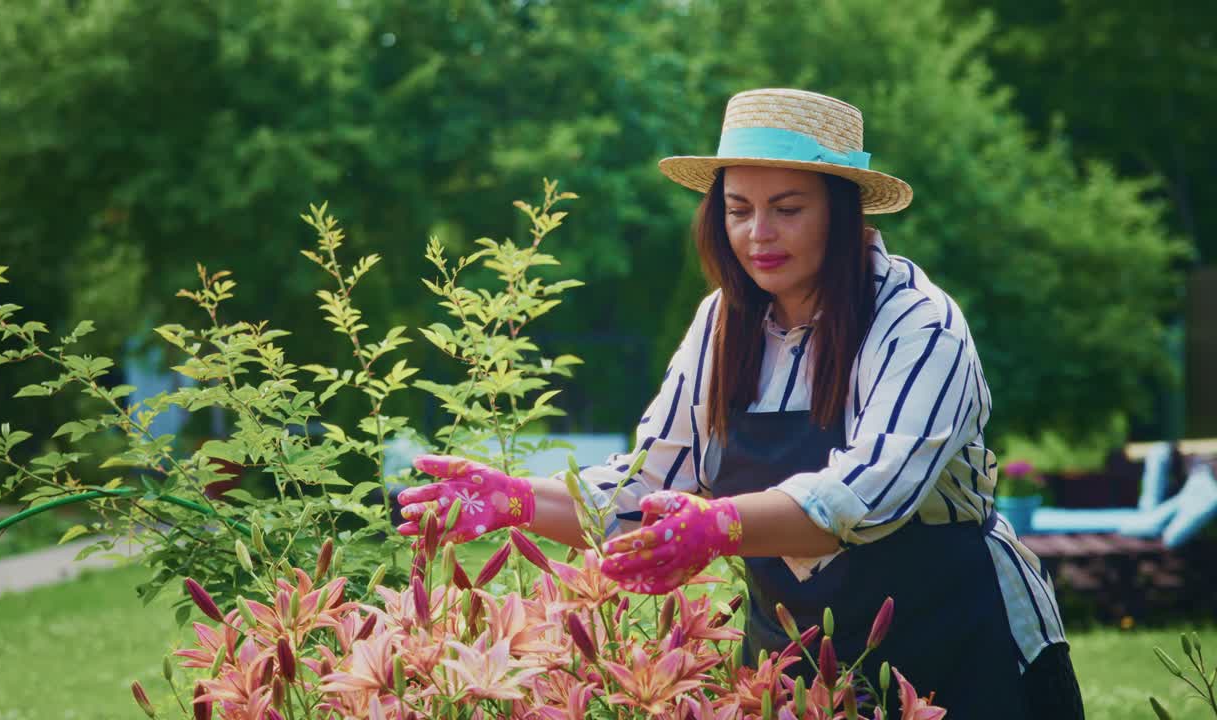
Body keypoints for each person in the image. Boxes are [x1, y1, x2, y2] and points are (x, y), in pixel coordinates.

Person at [396, 88, 1083, 718]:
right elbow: (643, 491)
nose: (758, 234)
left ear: (842, 212)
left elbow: (860, 500)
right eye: (738, 209)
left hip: (960, 643)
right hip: (793, 664)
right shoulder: (722, 325)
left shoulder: (918, 324)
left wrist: (719, 525)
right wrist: (520, 499)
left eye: (787, 209)